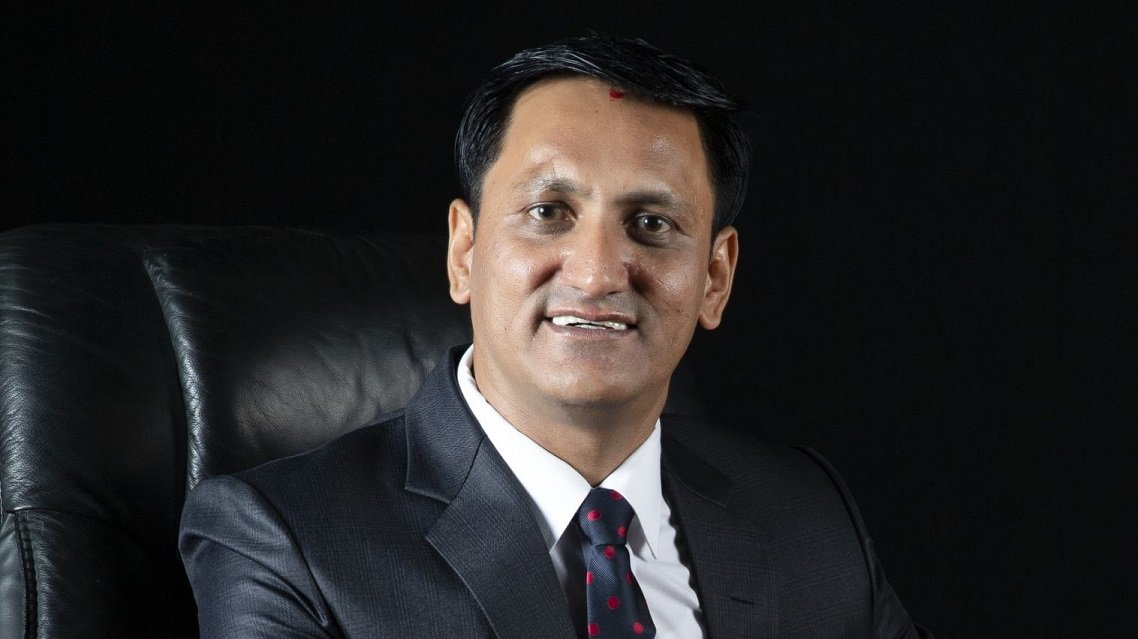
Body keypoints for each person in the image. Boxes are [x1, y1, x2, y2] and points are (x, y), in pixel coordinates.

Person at [179, 35, 931, 638]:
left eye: (652, 223)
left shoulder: (808, 515)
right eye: (548, 213)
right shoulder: (284, 541)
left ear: (714, 277)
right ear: (465, 251)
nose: (598, 273)